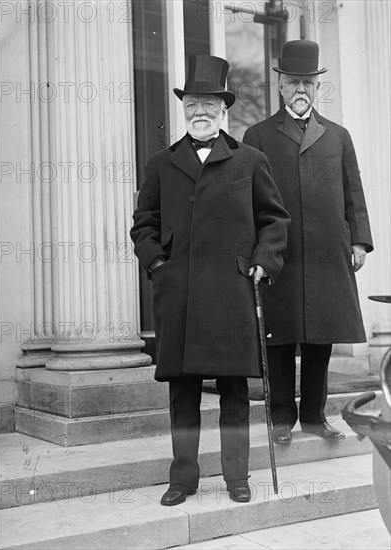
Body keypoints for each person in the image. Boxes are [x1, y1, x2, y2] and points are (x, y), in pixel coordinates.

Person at [131, 54, 290, 505]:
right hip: (178, 296)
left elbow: (275, 220)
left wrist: (264, 260)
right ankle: (182, 479)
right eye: (192, 105)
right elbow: (143, 223)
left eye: (208, 105)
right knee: (183, 393)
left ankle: (237, 477)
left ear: (224, 110)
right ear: (184, 110)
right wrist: (158, 264)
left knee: (234, 392)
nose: (199, 112)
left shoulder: (251, 160)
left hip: (232, 294)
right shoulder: (161, 164)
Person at [243, 40, 373, 445]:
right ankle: (281, 418)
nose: (301, 89)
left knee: (321, 335)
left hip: (328, 249)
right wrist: (255, 249)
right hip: (279, 250)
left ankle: (316, 418)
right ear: (280, 86)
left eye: (308, 83)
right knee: (279, 336)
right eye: (293, 82)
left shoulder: (338, 135)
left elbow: (353, 192)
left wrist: (359, 242)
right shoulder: (258, 134)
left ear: (317, 89)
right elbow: (248, 198)